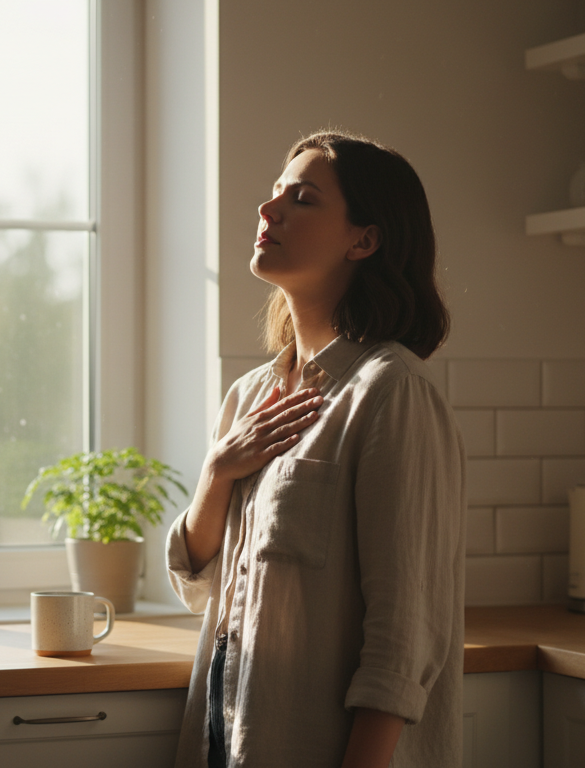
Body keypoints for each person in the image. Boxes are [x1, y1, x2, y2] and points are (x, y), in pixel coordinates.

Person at [166, 131, 465, 768]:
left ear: (365, 239)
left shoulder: (391, 392)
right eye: (274, 195)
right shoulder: (249, 397)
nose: (267, 211)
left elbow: (403, 633)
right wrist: (217, 474)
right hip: (230, 738)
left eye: (301, 199)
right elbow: (199, 587)